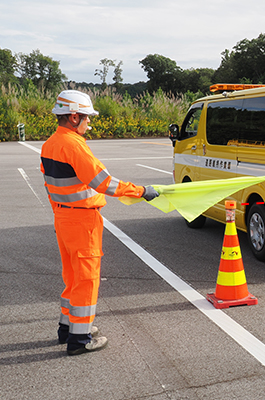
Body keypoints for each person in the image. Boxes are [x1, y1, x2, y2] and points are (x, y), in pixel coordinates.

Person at [40, 90, 159, 356]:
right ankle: (80, 339)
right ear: (73, 117)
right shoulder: (74, 145)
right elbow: (104, 182)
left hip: (63, 216)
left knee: (71, 276)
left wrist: (62, 211)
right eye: (87, 118)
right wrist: (141, 191)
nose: (89, 123)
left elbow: (51, 185)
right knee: (87, 278)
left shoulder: (50, 143)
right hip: (82, 220)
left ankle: (67, 328)